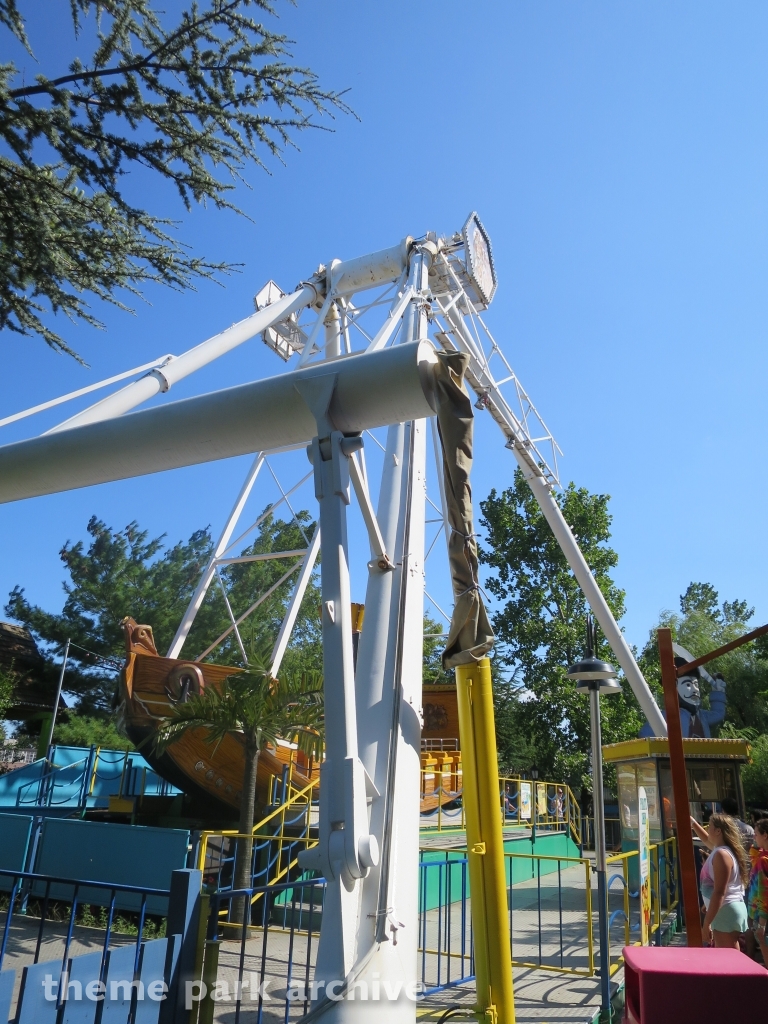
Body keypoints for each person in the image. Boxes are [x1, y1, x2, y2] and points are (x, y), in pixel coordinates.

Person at [690, 812, 750, 948]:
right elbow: (706, 839)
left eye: (709, 826)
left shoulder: (721, 854)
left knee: (728, 959)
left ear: (718, 831)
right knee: (728, 956)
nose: (707, 829)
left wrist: (706, 923)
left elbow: (719, 892)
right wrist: (692, 823)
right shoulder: (721, 850)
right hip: (726, 909)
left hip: (726, 910)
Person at [747, 818, 768, 965]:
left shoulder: (763, 861)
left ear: (765, 835)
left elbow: (764, 893)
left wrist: (761, 924)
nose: (754, 837)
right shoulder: (761, 856)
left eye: (756, 834)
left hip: (762, 915)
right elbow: (753, 854)